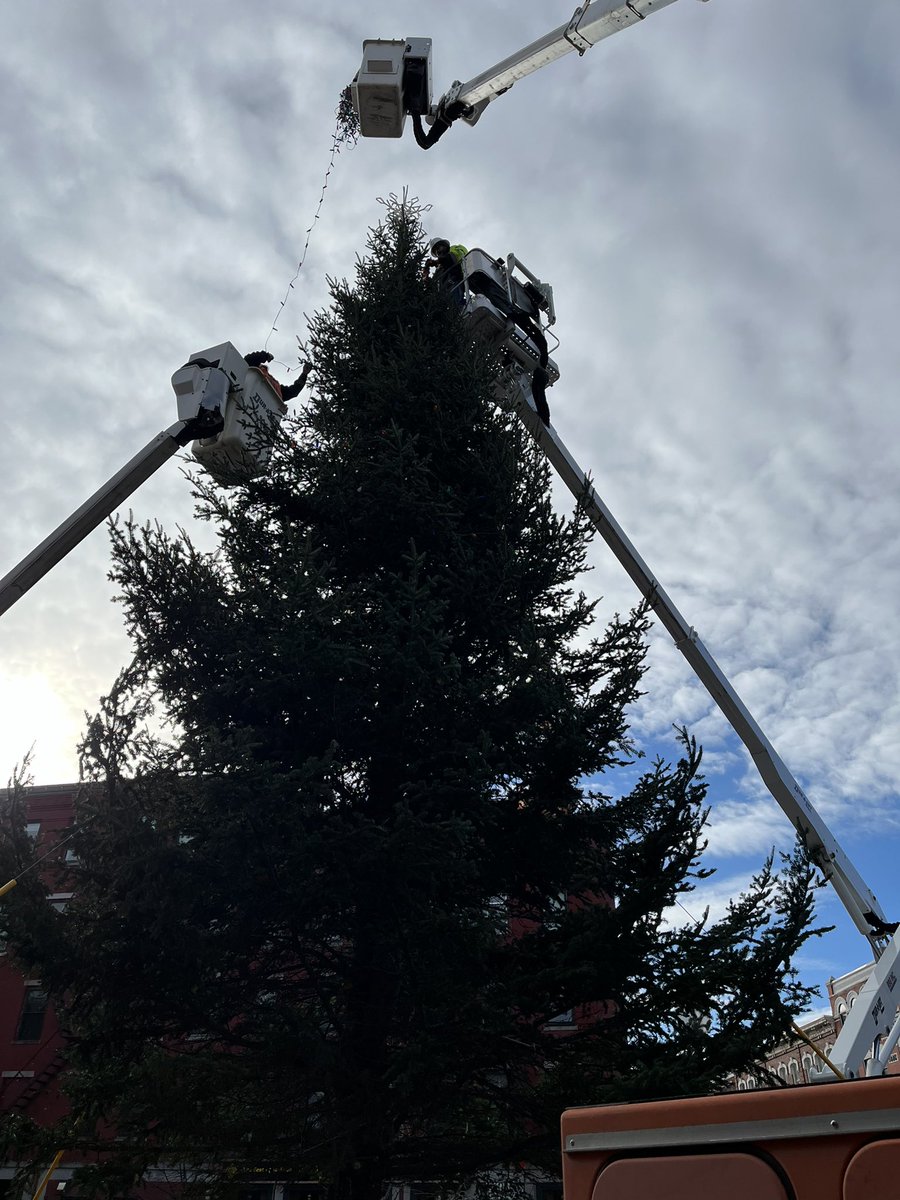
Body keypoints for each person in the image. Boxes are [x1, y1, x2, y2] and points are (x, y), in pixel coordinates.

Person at [245, 350, 311, 402]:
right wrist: (265, 356)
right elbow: (248, 359)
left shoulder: (275, 387)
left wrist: (304, 374)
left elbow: (292, 392)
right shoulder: (252, 371)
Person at [423, 237, 468, 303]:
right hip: (443, 295)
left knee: (456, 305)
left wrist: (435, 262)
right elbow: (431, 285)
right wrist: (426, 273)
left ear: (444, 245)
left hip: (455, 284)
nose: (438, 251)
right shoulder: (439, 268)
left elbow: (449, 259)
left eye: (438, 248)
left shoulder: (453, 251)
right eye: (436, 251)